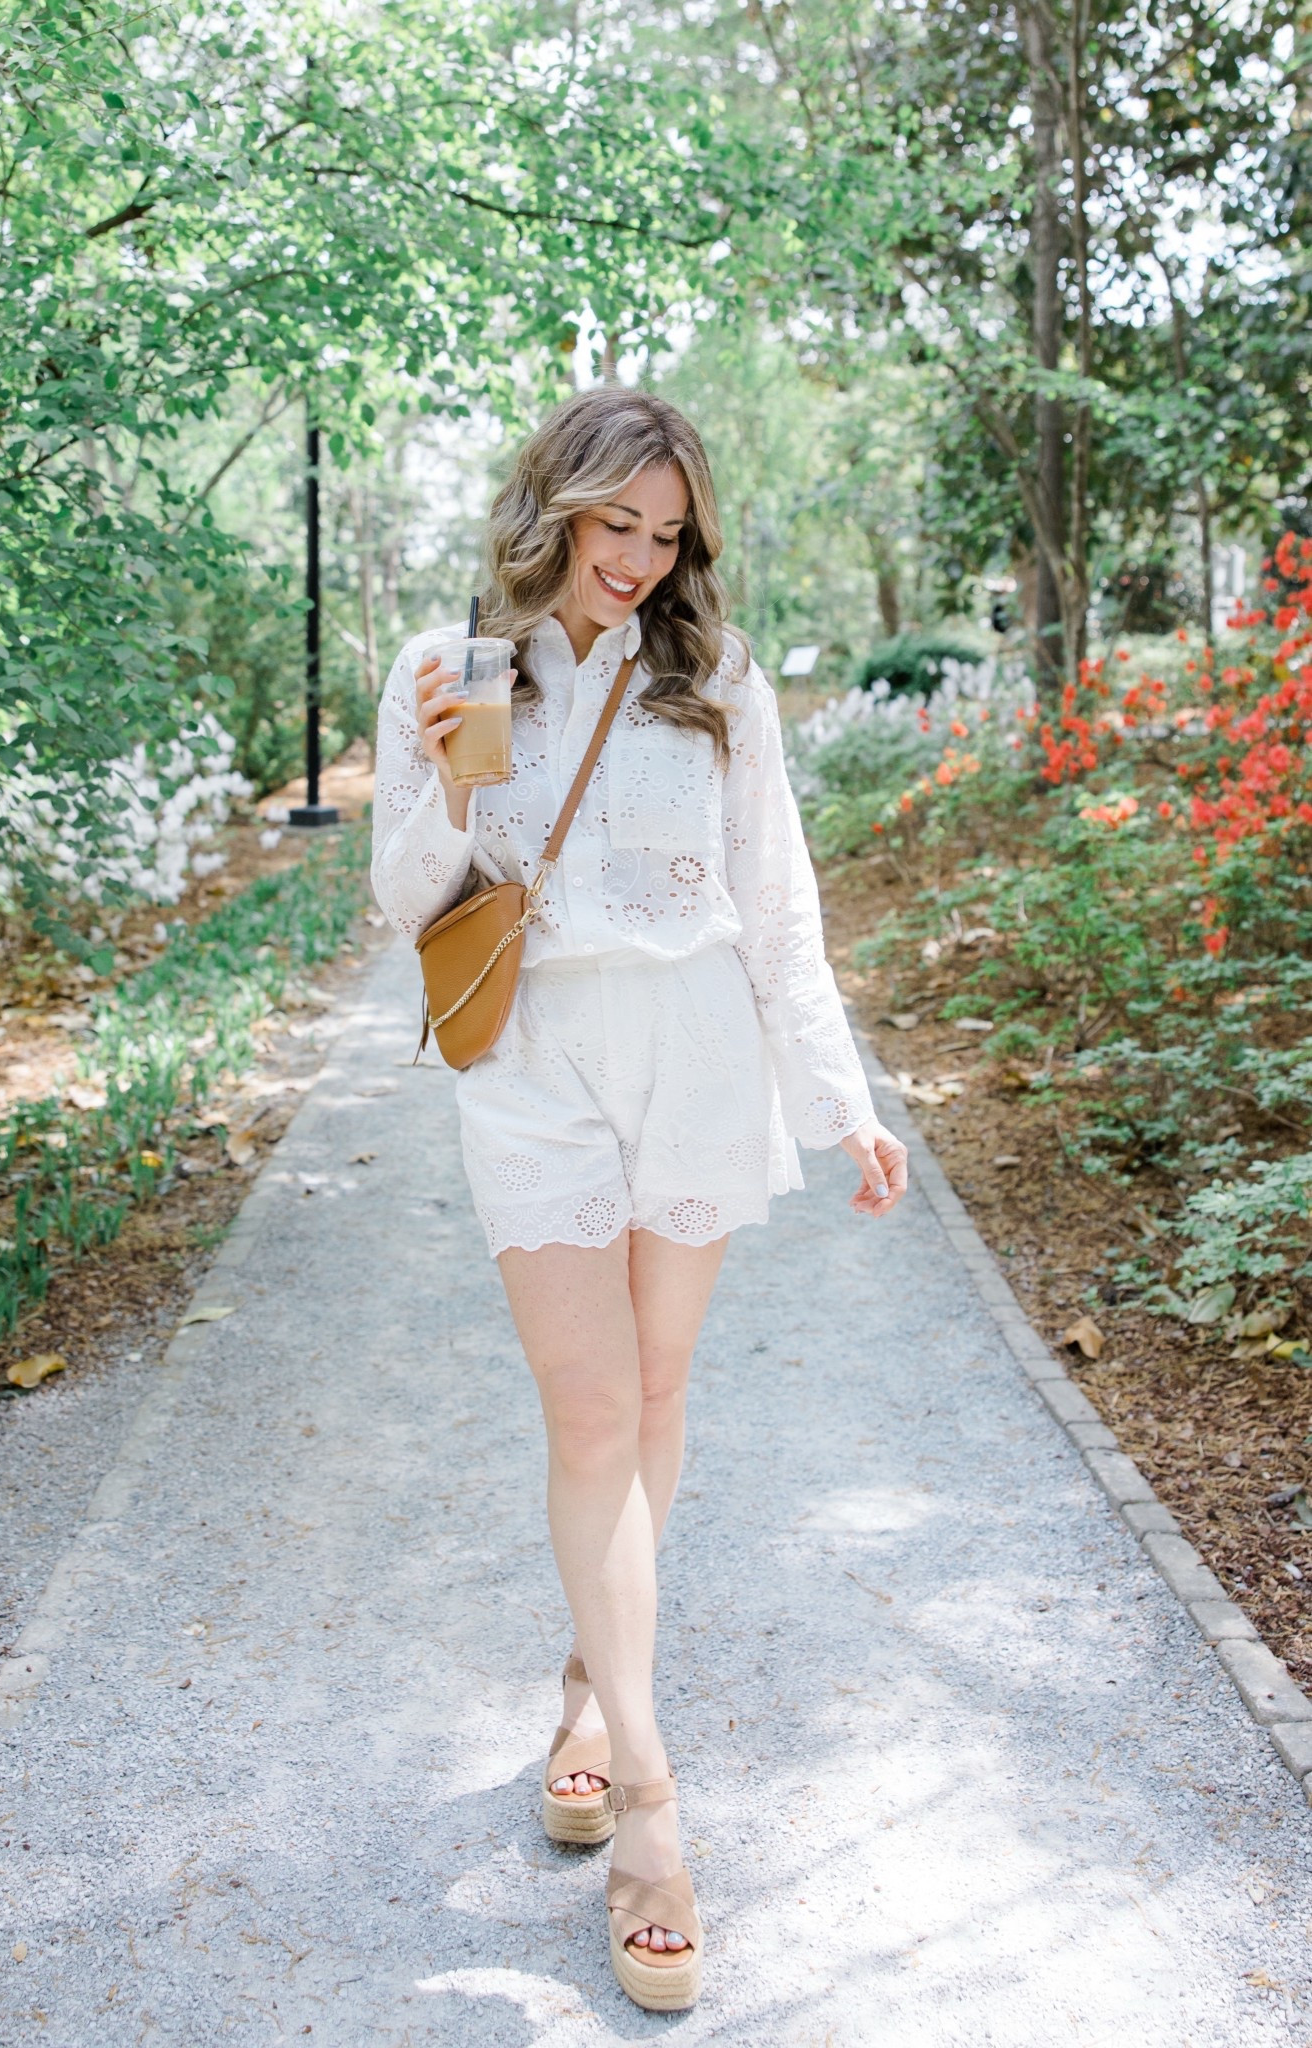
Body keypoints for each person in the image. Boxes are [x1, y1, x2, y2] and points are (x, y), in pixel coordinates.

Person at [370, 387, 909, 2012]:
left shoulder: (713, 681)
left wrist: (840, 1097)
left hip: (692, 1051)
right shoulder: (450, 664)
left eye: (665, 535)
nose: (638, 560)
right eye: (617, 525)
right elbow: (407, 903)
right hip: (531, 1063)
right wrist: (455, 768)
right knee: (591, 1414)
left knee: (658, 1395)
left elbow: (775, 908)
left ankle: (593, 1700)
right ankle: (658, 1820)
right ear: (556, 508)